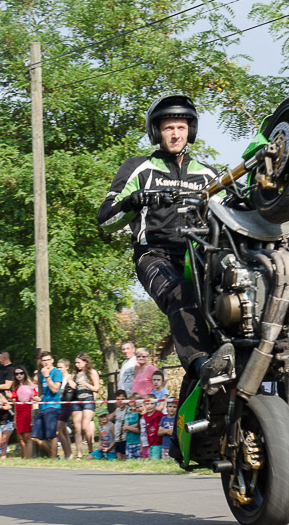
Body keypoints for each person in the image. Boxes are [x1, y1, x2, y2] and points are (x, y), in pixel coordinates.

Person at [97, 95, 228, 388]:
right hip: (154, 255)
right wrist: (136, 199)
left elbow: (231, 215)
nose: (176, 134)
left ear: (190, 131)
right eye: (169, 127)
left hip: (198, 257)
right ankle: (201, 363)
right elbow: (105, 219)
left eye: (181, 127)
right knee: (179, 292)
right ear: (157, 132)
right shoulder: (139, 168)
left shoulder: (206, 174)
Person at [31, 350, 63, 459]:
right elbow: (46, 391)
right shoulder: (42, 375)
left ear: (52, 360)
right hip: (43, 407)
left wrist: (47, 376)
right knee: (34, 437)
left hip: (53, 407)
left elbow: (55, 389)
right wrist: (39, 398)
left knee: (51, 435)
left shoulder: (56, 372)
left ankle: (53, 459)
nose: (46, 362)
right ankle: (56, 456)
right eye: (44, 360)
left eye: (48, 360)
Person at [70, 353, 101, 460]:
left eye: (79, 362)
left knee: (84, 426)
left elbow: (96, 388)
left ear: (85, 362)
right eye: (75, 363)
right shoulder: (75, 373)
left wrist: (86, 384)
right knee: (77, 428)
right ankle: (79, 454)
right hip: (77, 400)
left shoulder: (92, 372)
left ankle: (90, 450)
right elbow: (69, 380)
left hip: (88, 400)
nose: (76, 364)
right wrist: (70, 382)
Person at [12, 366, 37, 459]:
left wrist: (33, 415)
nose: (19, 375)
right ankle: (23, 458)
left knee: (27, 438)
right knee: (20, 439)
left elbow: (34, 400)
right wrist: (14, 419)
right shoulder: (15, 387)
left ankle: (28, 458)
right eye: (16, 374)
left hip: (27, 413)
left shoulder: (30, 386)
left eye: (21, 373)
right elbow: (15, 404)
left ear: (25, 374)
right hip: (18, 414)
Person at [56, 358, 74, 459]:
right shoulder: (57, 377)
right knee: (63, 431)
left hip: (66, 405)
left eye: (61, 367)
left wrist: (67, 384)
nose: (59, 369)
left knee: (58, 430)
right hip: (59, 405)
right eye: (57, 367)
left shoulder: (69, 377)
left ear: (67, 367)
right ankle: (69, 454)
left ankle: (67, 454)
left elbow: (73, 387)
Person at [143, 394, 164, 460]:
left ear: (155, 404)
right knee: (151, 461)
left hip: (157, 443)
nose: (149, 406)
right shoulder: (145, 415)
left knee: (155, 461)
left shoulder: (159, 414)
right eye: (147, 404)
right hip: (149, 442)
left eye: (152, 403)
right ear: (144, 405)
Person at [123, 393, 143, 460]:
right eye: (131, 401)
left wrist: (128, 427)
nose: (133, 403)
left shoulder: (139, 414)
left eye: (135, 401)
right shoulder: (127, 415)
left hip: (138, 443)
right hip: (129, 443)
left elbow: (139, 430)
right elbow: (125, 429)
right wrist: (134, 426)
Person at [112, 390, 130, 461]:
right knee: (118, 455)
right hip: (117, 438)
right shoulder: (117, 410)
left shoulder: (128, 410)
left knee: (124, 455)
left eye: (122, 399)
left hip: (124, 437)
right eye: (118, 400)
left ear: (126, 399)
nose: (120, 401)